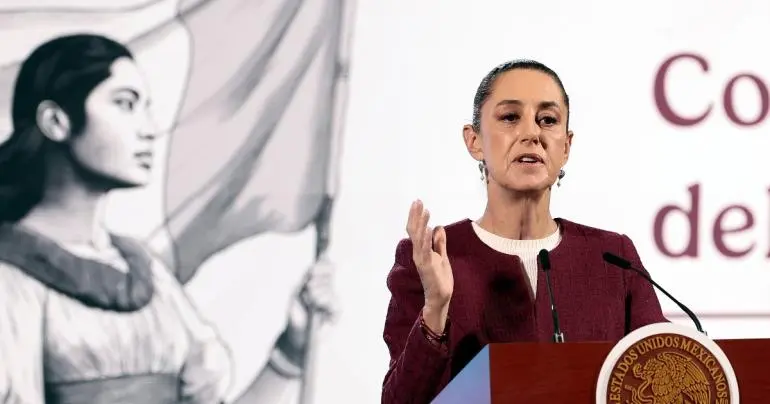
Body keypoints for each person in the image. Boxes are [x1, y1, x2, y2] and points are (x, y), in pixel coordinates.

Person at [0, 34, 334, 404]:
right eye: (125, 104)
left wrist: (290, 351)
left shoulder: (147, 274)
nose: (148, 128)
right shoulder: (10, 278)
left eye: (146, 108)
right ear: (56, 121)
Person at [380, 60, 667, 404]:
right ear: (474, 141)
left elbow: (663, 375)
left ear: (566, 147)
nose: (532, 134)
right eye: (510, 117)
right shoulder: (432, 257)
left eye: (548, 120)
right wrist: (435, 311)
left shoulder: (614, 259)